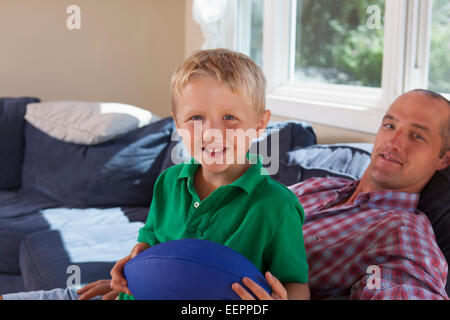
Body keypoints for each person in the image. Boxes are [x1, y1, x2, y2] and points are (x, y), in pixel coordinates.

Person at [1, 89, 448, 301]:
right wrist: (138, 269)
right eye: (390, 124)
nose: (393, 141)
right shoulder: (322, 184)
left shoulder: (404, 231)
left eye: (418, 136)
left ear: (444, 158)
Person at [109, 48, 310, 300]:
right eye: (196, 117)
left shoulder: (278, 207)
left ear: (260, 124)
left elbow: (297, 285)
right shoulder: (167, 183)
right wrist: (132, 263)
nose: (212, 132)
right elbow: (149, 242)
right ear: (177, 124)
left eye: (229, 117)